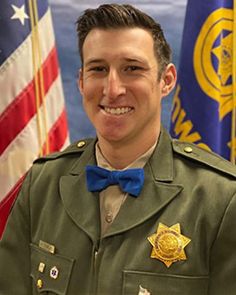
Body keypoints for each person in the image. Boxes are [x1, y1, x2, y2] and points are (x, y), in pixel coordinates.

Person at [0, 3, 236, 295]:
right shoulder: (42, 184)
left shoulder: (221, 199)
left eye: (132, 69)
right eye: (98, 69)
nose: (112, 89)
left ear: (167, 80)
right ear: (82, 81)